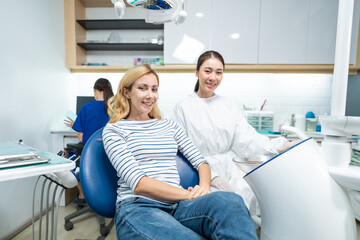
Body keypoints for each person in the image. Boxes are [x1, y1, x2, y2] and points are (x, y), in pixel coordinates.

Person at [102, 64, 258, 240]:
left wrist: (204, 188)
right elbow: (140, 184)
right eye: (142, 88)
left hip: (179, 206)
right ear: (126, 92)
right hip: (138, 208)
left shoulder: (169, 126)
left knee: (231, 202)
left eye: (154, 89)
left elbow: (201, 162)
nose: (150, 95)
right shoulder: (114, 131)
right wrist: (188, 194)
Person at [172, 50, 297, 207]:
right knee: (220, 208)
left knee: (252, 204)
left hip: (232, 171)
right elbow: (182, 151)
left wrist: (278, 146)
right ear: (197, 72)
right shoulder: (183, 107)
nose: (213, 78)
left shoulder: (229, 105)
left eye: (219, 72)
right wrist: (212, 176)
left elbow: (247, 139)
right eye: (207, 71)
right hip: (200, 175)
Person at [65, 78, 114, 202]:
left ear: (94, 90)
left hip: (89, 154)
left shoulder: (86, 107)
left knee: (69, 161)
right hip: (110, 153)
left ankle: (82, 194)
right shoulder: (115, 108)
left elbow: (81, 138)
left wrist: (77, 126)